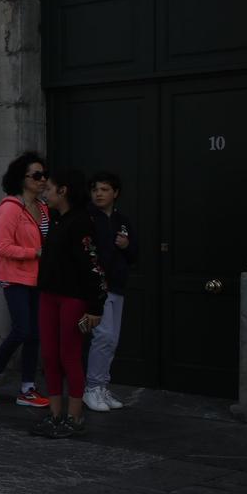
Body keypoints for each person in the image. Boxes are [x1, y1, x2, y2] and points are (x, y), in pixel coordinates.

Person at [34, 168, 106, 439]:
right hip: (49, 295)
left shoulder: (81, 222)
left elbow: (93, 266)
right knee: (50, 355)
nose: (45, 193)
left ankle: (74, 416)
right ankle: (55, 414)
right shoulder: (56, 220)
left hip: (73, 298)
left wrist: (95, 307)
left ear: (63, 190)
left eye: (49, 188)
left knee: (70, 356)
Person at [0, 151, 50, 409]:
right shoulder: (10, 208)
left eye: (44, 175)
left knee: (34, 334)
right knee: (23, 329)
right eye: (37, 175)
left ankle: (27, 388)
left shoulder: (42, 207)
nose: (42, 180)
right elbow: (3, 247)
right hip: (14, 277)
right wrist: (36, 252)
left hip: (38, 278)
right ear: (22, 178)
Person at [84, 172, 137, 414]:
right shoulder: (88, 219)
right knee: (103, 337)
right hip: (97, 287)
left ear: (115, 193)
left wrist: (127, 246)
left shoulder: (122, 221)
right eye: (96, 189)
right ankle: (92, 387)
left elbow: (135, 255)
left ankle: (102, 385)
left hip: (117, 286)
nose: (99, 194)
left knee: (112, 340)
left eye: (105, 189)